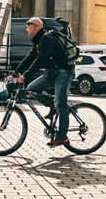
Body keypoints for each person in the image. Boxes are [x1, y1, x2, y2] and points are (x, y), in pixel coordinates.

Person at [14, 17, 75, 148]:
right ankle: (53, 106)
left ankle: (62, 136)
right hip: (51, 73)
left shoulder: (47, 38)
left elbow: (41, 59)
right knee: (31, 89)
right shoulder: (38, 41)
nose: (26, 28)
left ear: (35, 26)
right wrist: (16, 71)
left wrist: (26, 75)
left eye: (27, 25)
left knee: (61, 103)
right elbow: (30, 57)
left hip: (63, 72)